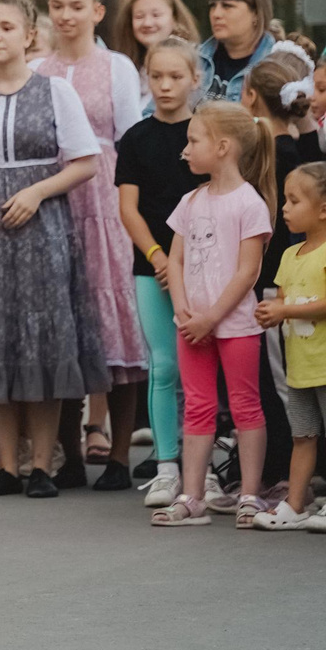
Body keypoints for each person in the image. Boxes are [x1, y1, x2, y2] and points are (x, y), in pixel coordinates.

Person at [0, 0, 109, 498]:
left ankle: (41, 467)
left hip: (39, 227)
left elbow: (85, 161)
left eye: (6, 27)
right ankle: (6, 466)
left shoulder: (54, 90)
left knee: (40, 339)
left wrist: (36, 192)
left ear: (29, 35)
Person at [33, 0, 151, 489]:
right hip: (53, 196)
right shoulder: (38, 69)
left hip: (104, 195)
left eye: (77, 6)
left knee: (112, 320)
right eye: (58, 5)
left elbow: (131, 138)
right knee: (62, 321)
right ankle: (69, 455)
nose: (66, 15)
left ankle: (119, 455)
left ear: (97, 12)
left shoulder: (116, 66)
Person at [150, 98, 273, 526]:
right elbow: (176, 259)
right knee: (198, 406)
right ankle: (192, 496)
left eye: (193, 141)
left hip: (235, 325)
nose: (185, 150)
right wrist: (183, 309)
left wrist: (212, 317)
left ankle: (250, 495)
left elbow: (248, 271)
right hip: (192, 325)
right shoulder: (190, 201)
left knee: (245, 405)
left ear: (222, 147)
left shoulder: (249, 203)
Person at [118, 39, 199, 508]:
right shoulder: (135, 138)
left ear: (195, 79)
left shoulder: (205, 134)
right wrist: (158, 256)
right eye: (156, 76)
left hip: (203, 267)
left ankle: (201, 466)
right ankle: (167, 465)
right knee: (164, 365)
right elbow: (128, 209)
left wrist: (183, 262)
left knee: (201, 367)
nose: (165, 86)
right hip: (152, 269)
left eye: (175, 76)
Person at [250, 161, 326, 529]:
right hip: (300, 369)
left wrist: (284, 310)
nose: (284, 208)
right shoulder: (288, 256)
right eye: (285, 200)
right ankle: (295, 506)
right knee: (303, 435)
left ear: (323, 209)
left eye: (294, 201)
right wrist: (272, 313)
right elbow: (284, 301)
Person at [200, 0, 282, 105]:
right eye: (212, 5)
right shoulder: (196, 60)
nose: (216, 14)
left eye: (227, 6)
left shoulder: (277, 67)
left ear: (256, 13)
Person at [113, 0, 198, 64]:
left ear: (175, 18)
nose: (147, 23)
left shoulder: (197, 62)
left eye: (156, 15)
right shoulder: (121, 64)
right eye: (139, 17)